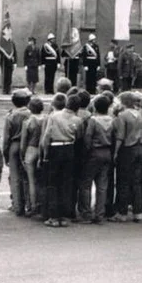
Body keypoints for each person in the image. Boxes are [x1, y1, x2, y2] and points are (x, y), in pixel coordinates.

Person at [41, 93, 82, 228]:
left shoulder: (54, 116)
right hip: (69, 148)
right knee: (66, 184)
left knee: (53, 183)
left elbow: (47, 136)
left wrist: (45, 154)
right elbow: (79, 136)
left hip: (55, 148)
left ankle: (53, 215)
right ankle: (64, 216)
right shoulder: (77, 120)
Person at [111, 91, 142, 222]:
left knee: (123, 181)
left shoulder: (122, 115)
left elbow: (120, 135)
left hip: (127, 148)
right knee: (136, 181)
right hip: (139, 147)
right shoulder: (139, 115)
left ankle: (122, 212)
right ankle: (138, 211)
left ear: (124, 102)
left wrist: (115, 152)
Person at [81, 94, 116, 224]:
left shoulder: (93, 121)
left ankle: (86, 213)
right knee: (102, 185)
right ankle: (100, 213)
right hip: (107, 151)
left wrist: (86, 153)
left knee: (86, 183)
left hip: (94, 152)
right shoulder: (112, 120)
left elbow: (88, 138)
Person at [3, 90, 31, 216]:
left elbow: (6, 137)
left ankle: (17, 205)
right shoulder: (30, 114)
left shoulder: (11, 116)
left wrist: (5, 154)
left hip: (14, 144)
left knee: (14, 177)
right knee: (27, 176)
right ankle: (29, 204)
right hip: (28, 144)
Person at [21, 96, 46, 216]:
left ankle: (32, 206)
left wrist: (22, 154)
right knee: (42, 180)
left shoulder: (28, 121)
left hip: (31, 149)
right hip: (42, 149)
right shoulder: (46, 119)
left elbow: (23, 142)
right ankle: (42, 204)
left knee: (31, 181)